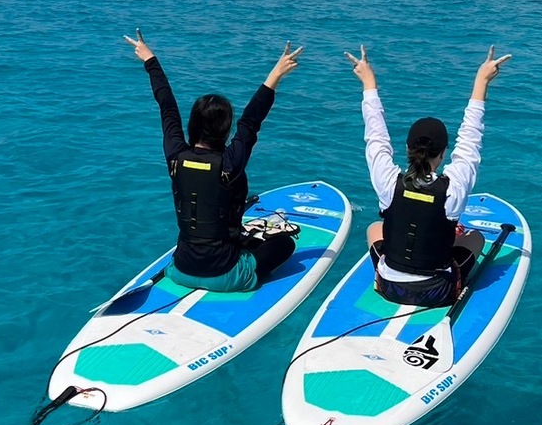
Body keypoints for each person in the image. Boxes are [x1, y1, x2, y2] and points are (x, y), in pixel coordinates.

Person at [125, 29, 302, 291]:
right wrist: (275, 75)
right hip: (227, 275)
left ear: (193, 124)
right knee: (285, 244)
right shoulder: (230, 163)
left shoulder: (176, 157)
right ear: (226, 130)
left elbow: (167, 108)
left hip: (180, 269)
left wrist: (150, 60)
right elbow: (251, 122)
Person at [344, 43, 512, 307]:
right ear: (443, 154)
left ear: (407, 149)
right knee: (476, 238)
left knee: (375, 228)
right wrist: (482, 82)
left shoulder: (388, 182)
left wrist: (369, 83)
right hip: (437, 292)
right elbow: (470, 140)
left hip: (389, 287)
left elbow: (375, 136)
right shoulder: (453, 189)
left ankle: (388, 277)